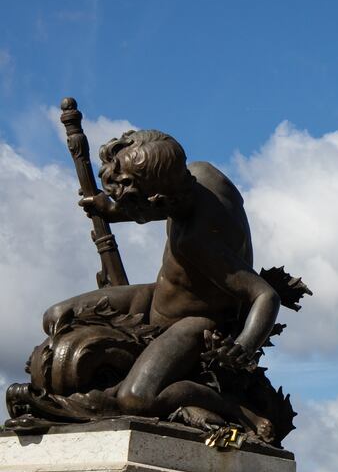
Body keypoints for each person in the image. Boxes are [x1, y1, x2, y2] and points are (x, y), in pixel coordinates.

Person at [42, 130, 279, 438]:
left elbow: (265, 295)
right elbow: (167, 207)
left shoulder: (197, 242)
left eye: (132, 205)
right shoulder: (199, 175)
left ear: (158, 201)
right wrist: (112, 211)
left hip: (196, 323)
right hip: (155, 295)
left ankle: (230, 407)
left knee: (135, 399)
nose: (126, 210)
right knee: (57, 316)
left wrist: (243, 347)